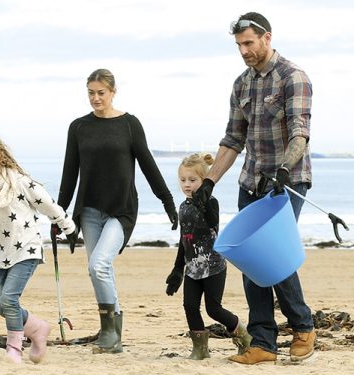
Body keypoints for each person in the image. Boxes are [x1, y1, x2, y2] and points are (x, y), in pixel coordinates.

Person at [192, 12, 316, 364]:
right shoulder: (241, 84)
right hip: (250, 181)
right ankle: (263, 342)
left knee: (273, 255)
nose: (244, 50)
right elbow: (233, 139)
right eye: (239, 45)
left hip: (286, 182)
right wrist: (210, 181)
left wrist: (283, 169)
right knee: (251, 261)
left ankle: (303, 327)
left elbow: (300, 133)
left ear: (267, 37)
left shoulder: (294, 78)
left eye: (248, 42)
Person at [57, 68, 178, 354]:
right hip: (88, 209)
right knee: (99, 269)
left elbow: (148, 164)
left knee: (98, 265)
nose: (96, 98)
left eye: (101, 93)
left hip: (121, 209)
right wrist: (58, 214)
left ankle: (110, 332)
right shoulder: (78, 127)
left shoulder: (129, 124)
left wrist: (167, 202)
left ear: (113, 92)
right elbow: (69, 173)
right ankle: (112, 335)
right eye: (91, 93)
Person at [0, 133, 78, 364]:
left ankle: (14, 350)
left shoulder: (20, 183)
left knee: (9, 299)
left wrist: (68, 227)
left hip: (27, 248)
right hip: (1, 254)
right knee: (0, 305)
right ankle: (38, 328)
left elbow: (48, 204)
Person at [165, 153, 252, 360]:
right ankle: (201, 350)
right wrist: (177, 270)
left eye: (193, 180)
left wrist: (202, 203)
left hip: (214, 266)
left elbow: (213, 223)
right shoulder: (183, 207)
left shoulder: (212, 202)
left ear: (204, 181)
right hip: (192, 269)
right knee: (189, 306)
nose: (187, 184)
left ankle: (244, 336)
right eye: (183, 180)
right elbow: (184, 240)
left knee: (213, 309)